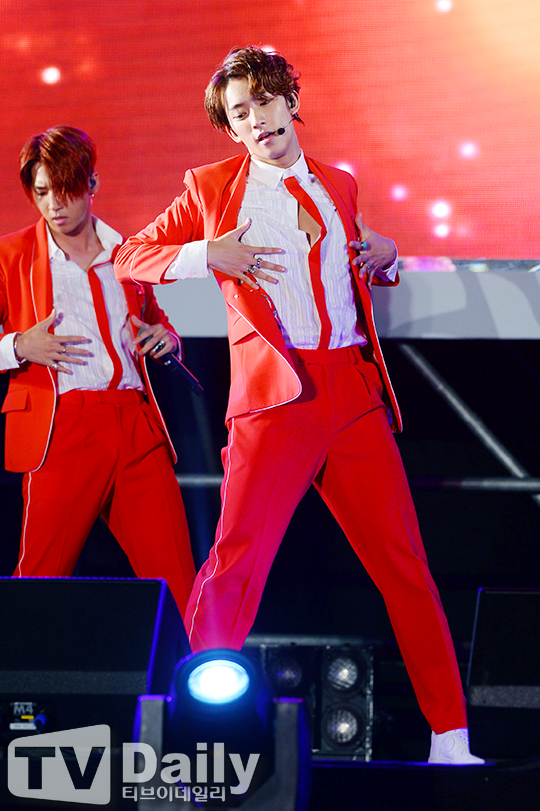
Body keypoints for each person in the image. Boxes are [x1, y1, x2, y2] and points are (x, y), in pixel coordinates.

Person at [114, 47, 484, 764]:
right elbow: (131, 256)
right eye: (240, 113)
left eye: (265, 101)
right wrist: (206, 255)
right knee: (234, 567)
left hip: (352, 393)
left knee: (405, 566)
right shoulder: (211, 188)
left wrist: (386, 256)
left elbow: (353, 266)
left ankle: (451, 736)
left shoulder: (339, 185)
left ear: (290, 100)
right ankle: (186, 734)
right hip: (274, 400)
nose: (257, 120)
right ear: (231, 129)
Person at [0, 126, 195, 616]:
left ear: (92, 185)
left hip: (135, 425)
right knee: (39, 579)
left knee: (178, 579)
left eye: (65, 190)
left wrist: (167, 340)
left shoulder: (126, 253)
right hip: (62, 427)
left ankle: (195, 667)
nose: (53, 205)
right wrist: (19, 345)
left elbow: (156, 322)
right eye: (41, 192)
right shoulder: (12, 257)